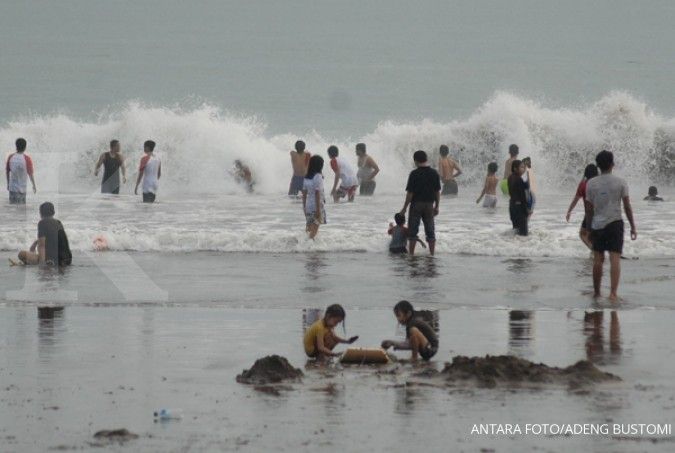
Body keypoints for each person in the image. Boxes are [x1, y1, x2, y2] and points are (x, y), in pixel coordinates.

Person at [585, 150, 637, 301]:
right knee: (615, 258)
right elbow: (627, 206)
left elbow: (589, 209)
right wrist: (633, 226)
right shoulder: (620, 182)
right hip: (615, 223)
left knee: (598, 259)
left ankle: (596, 292)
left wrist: (588, 229)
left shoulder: (591, 183)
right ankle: (613, 293)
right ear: (612, 164)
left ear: (598, 165)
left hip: (597, 224)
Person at [399, 150, 441, 255]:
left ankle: (411, 254)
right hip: (429, 205)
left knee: (413, 232)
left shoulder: (414, 174)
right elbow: (437, 192)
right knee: (430, 231)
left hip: (416, 205)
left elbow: (410, 193)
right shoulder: (434, 173)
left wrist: (404, 208)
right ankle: (432, 254)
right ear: (426, 159)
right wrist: (437, 206)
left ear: (416, 161)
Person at [17, 202, 72, 266]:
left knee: (21, 254)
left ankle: (47, 262)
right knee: (36, 252)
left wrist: (42, 264)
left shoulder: (42, 223)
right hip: (67, 259)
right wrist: (35, 243)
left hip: (54, 260)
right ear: (53, 212)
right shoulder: (58, 222)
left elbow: (42, 246)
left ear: (41, 213)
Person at [566, 164, 599, 250]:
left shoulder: (583, 185)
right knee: (595, 236)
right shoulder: (601, 184)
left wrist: (569, 211)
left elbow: (575, 200)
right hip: (602, 213)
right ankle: (596, 251)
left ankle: (595, 251)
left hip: (589, 214)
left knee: (583, 234)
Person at [302, 155, 326, 239]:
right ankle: (308, 245)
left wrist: (304, 207)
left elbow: (304, 194)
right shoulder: (318, 177)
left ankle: (304, 245)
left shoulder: (306, 177)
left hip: (308, 205)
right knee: (315, 229)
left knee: (308, 228)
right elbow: (317, 193)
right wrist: (318, 210)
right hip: (317, 205)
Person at [6, 138, 36, 205]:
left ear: (16, 146)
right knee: (21, 210)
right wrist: (34, 185)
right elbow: (30, 174)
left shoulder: (10, 157)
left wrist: (8, 184)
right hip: (22, 189)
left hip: (12, 188)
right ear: (25, 147)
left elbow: (7, 171)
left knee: (12, 208)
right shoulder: (27, 159)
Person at [508, 160, 530, 236]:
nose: (523, 169)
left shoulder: (510, 177)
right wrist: (527, 209)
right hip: (520, 207)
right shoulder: (519, 179)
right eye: (521, 167)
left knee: (515, 230)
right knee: (524, 234)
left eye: (524, 167)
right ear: (515, 168)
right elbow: (523, 196)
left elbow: (511, 193)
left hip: (512, 206)